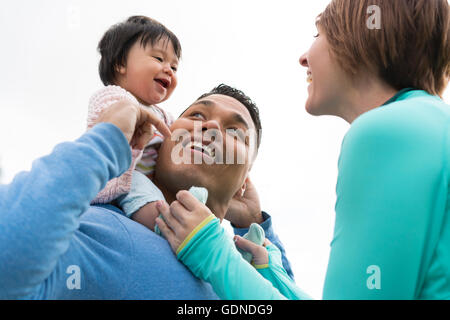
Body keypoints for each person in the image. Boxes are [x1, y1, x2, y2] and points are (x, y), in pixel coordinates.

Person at [157, 0, 450, 299]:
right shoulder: (429, 123)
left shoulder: (385, 133)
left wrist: (211, 253)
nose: (303, 58)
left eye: (318, 34)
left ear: (361, 40)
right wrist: (275, 275)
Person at [0, 85, 294, 299]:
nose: (212, 126)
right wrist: (107, 139)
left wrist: (254, 224)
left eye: (234, 132)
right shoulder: (105, 232)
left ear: (244, 182)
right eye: (196, 115)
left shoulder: (237, 275)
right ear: (159, 142)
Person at [87, 15, 180, 232]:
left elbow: (180, 135)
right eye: (158, 58)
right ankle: (170, 232)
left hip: (151, 186)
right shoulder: (113, 98)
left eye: (174, 68)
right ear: (121, 64)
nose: (168, 69)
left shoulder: (163, 115)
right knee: (149, 198)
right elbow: (107, 130)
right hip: (121, 180)